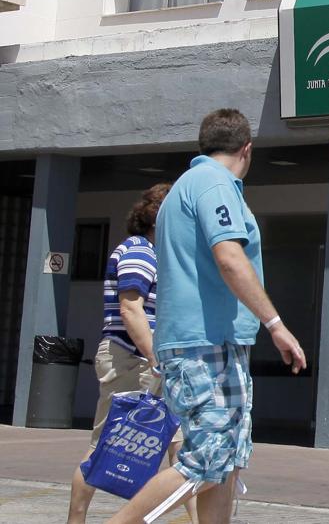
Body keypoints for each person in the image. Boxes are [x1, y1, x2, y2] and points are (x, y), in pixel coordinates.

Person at [108, 109, 307, 524]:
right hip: (205, 343)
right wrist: (276, 324)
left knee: (225, 461)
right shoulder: (216, 185)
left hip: (205, 341)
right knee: (205, 462)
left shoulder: (187, 186)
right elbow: (230, 257)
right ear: (247, 150)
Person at [67, 184, 198, 524]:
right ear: (160, 218)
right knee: (105, 445)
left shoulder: (156, 253)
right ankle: (75, 520)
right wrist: (155, 359)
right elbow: (130, 309)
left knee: (182, 450)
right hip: (133, 359)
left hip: (154, 363)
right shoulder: (140, 252)